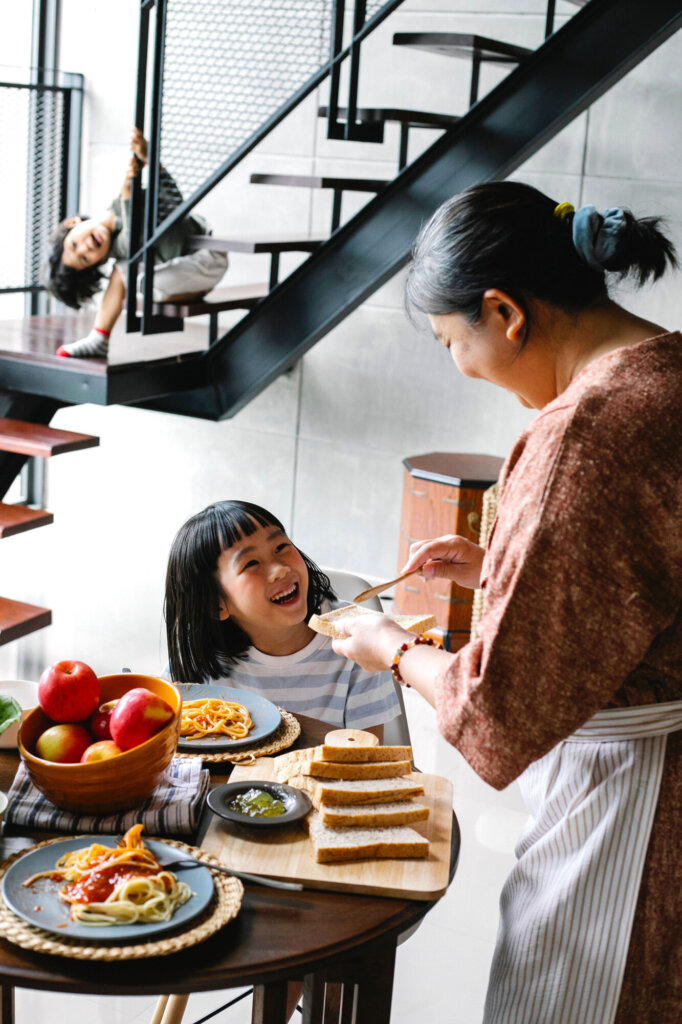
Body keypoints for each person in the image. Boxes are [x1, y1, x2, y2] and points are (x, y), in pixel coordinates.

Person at [330, 181, 682, 1024]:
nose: (460, 362)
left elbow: (497, 713)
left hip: (632, 807)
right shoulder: (667, 370)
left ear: (505, 312)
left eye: (454, 340)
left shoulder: (585, 433)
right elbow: (643, 571)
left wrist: (393, 648)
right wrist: (497, 565)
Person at [164, 499, 401, 739]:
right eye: (251, 563)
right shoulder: (198, 655)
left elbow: (366, 758)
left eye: (280, 547)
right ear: (215, 606)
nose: (280, 569)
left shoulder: (356, 637)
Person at [45, 128, 228, 359]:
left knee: (135, 279)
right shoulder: (121, 243)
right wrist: (128, 193)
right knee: (127, 272)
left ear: (72, 222)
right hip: (184, 264)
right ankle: (99, 338)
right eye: (85, 259)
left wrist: (149, 158)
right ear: (98, 261)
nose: (86, 248)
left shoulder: (119, 205)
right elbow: (133, 240)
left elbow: (173, 204)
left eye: (74, 245)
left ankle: (99, 338)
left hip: (207, 256)